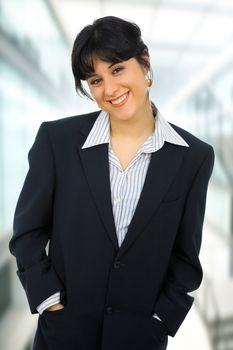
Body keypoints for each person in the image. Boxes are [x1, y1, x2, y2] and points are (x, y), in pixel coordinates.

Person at [9, 15, 215, 350]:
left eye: (117, 69)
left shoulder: (193, 157)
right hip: (63, 335)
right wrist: (50, 302)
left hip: (138, 339)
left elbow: (185, 257)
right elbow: (28, 233)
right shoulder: (57, 142)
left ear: (144, 62)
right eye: (95, 80)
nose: (109, 90)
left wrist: (161, 321)